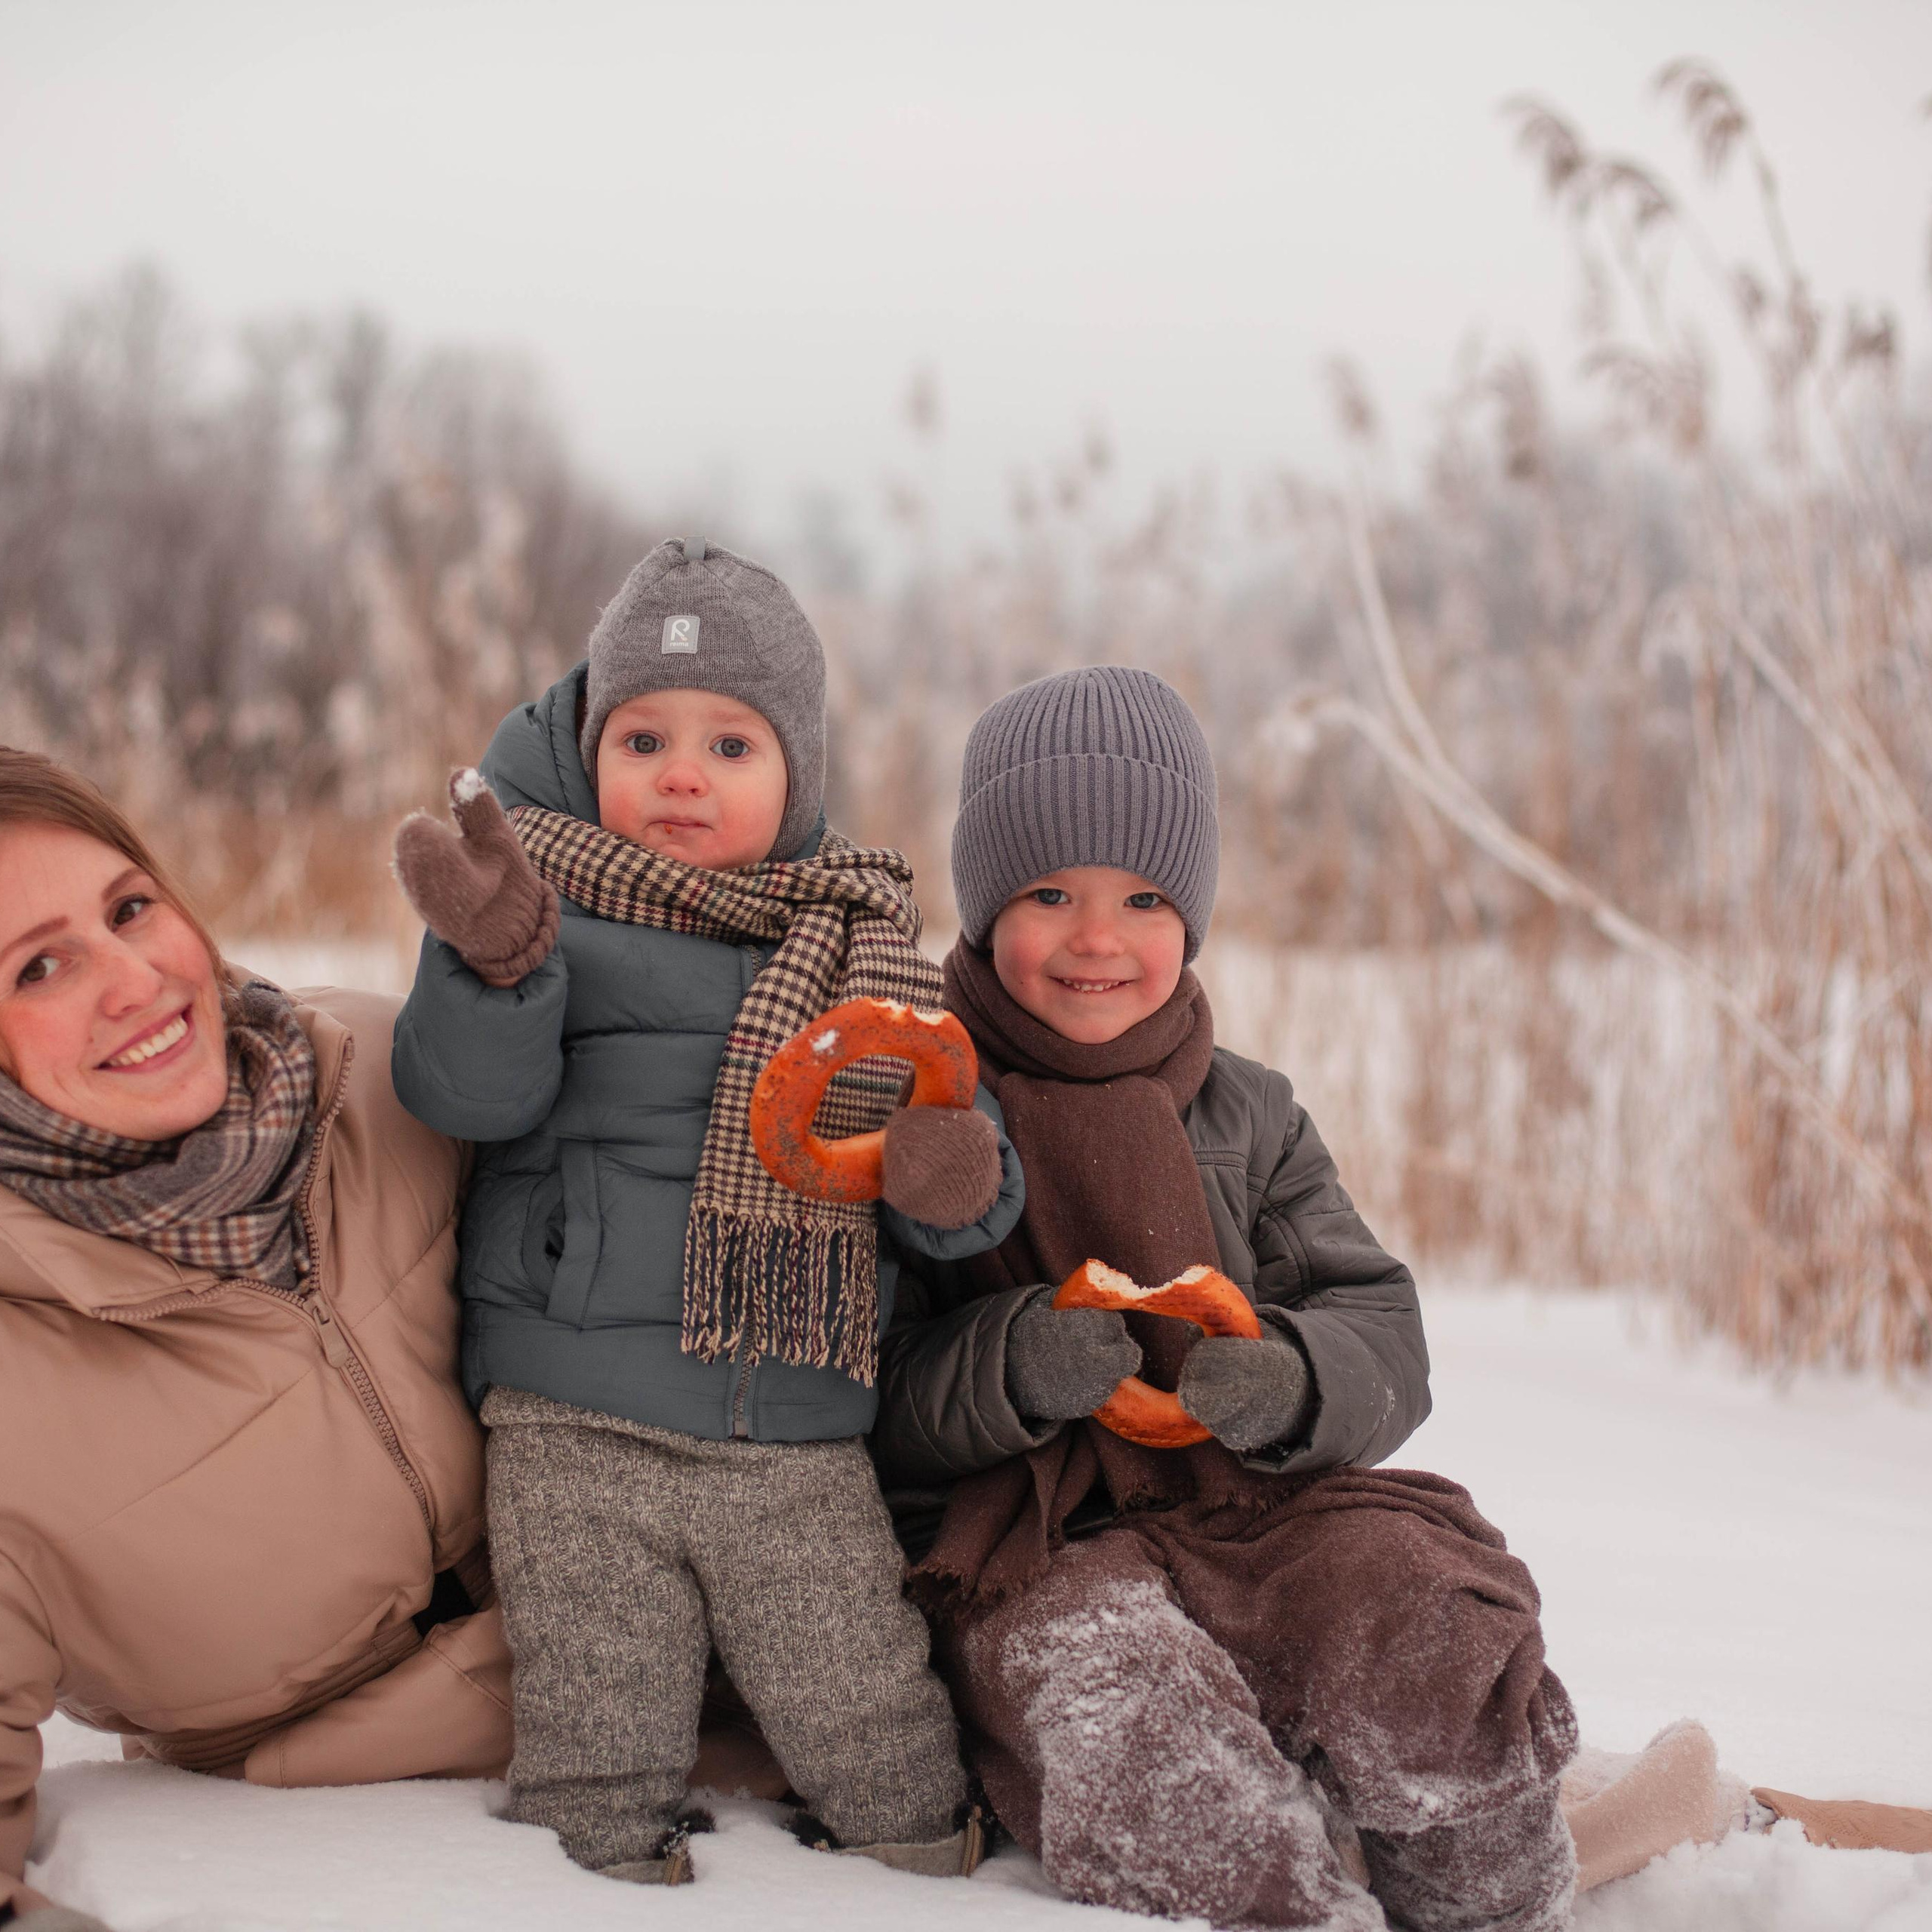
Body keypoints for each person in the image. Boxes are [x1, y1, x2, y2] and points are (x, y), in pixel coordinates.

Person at [872, 666, 1578, 1932]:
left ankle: (1494, 1898)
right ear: (983, 913)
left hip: (1261, 1506)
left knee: (1420, 1615)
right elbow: (874, 1388)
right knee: (1127, 1713)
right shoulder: (930, 1115)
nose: (1099, 939)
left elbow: (1382, 1328)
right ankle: (1271, 1900)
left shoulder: (1252, 1113)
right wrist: (1011, 1364)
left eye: (1144, 899)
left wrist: (1297, 1377)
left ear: (1191, 919)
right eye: (1050, 896)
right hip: (1037, 1541)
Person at [387, 538, 1020, 1886]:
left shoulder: (858, 937)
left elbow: (947, 1176)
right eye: (644, 737)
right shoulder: (536, 910)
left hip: (791, 1424)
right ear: (589, 747)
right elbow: (464, 1097)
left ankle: (935, 1873)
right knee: (595, 1718)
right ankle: (597, 1881)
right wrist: (489, 967)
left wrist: (957, 1179)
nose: (682, 773)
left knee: (870, 1710)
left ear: (800, 776)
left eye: (733, 746)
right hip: (577, 1410)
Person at [0, 748, 510, 1931]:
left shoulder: (397, 1072)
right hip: (359, 1857)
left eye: (131, 908)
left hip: (725, 1696)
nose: (135, 979)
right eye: (40, 967)